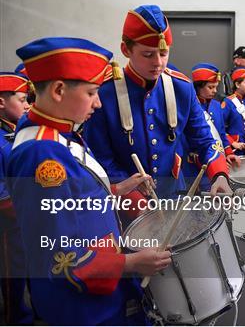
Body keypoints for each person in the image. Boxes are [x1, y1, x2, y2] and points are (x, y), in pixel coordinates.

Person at [8, 36, 172, 325]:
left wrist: (117, 189)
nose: (98, 103)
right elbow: (59, 255)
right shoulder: (42, 156)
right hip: (85, 306)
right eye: (92, 93)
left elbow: (72, 201)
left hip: (100, 283)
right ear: (59, 90)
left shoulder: (57, 130)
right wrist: (131, 263)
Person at [84, 5, 231, 202]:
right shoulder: (104, 93)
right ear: (126, 49)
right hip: (126, 202)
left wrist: (219, 174)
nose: (158, 63)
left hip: (174, 195)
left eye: (164, 54)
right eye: (148, 54)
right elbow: (101, 158)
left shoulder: (182, 88)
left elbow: (204, 139)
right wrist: (131, 199)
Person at [0, 72, 33, 324]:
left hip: (26, 216)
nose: (27, 105)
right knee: (13, 274)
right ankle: (15, 318)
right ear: (2, 102)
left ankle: (36, 310)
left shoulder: (18, 133)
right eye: (22, 100)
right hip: (9, 221)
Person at [183, 63, 241, 189]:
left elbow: (221, 133)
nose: (215, 91)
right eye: (210, 87)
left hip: (217, 160)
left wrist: (228, 152)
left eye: (216, 87)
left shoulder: (216, 105)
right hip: (196, 165)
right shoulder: (189, 106)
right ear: (198, 87)